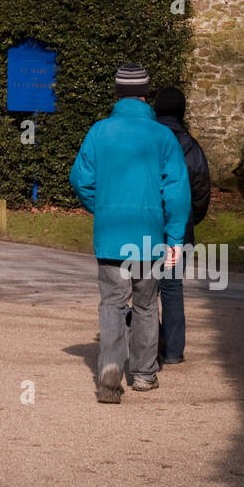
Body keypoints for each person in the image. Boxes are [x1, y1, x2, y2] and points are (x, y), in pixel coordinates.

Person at [70, 64, 191, 404]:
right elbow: (177, 191)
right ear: (146, 94)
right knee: (146, 305)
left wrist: (102, 206)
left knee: (111, 304)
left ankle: (110, 365)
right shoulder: (163, 136)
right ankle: (143, 374)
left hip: (111, 235)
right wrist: (175, 238)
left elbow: (80, 179)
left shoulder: (99, 132)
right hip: (149, 238)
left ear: (116, 93)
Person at [153, 86, 211, 365]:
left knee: (146, 286)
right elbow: (201, 188)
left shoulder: (149, 141)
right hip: (180, 226)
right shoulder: (191, 145)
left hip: (148, 224)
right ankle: (174, 350)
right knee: (172, 286)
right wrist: (190, 219)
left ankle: (148, 343)